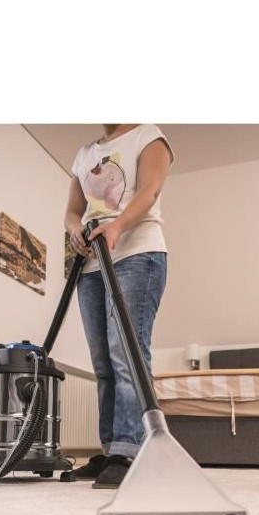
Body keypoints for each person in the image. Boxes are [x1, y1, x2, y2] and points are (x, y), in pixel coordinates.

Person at [64, 124, 174, 487]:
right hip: (91, 265)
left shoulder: (147, 136)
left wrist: (117, 226)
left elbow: (149, 191)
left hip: (137, 255)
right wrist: (75, 230)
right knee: (103, 363)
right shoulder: (84, 155)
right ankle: (112, 447)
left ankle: (130, 451)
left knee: (126, 353)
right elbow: (72, 211)